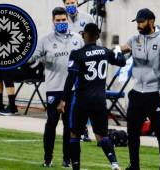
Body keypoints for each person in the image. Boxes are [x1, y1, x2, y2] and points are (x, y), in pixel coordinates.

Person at [57, 23, 126, 170]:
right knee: (101, 135)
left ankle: (76, 167)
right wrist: (118, 49)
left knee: (74, 133)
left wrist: (63, 99)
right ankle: (114, 164)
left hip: (82, 100)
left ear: (83, 35)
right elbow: (122, 61)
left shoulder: (77, 54)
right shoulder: (105, 51)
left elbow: (71, 77)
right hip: (100, 101)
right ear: (98, 35)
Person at [29, 7, 84, 167]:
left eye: (63, 20)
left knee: (69, 125)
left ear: (68, 19)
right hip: (54, 88)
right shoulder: (45, 40)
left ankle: (67, 159)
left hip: (73, 89)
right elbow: (32, 57)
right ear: (52, 21)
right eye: (58, 20)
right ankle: (48, 158)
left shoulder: (77, 39)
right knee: (52, 122)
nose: (61, 23)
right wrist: (25, 58)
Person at [120, 8, 160, 170]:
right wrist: (121, 51)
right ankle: (134, 165)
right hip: (137, 93)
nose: (138, 25)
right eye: (137, 22)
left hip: (154, 93)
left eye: (141, 22)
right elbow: (120, 59)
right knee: (132, 132)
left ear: (151, 21)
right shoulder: (134, 39)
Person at [63, 0, 96, 142]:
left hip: (85, 63)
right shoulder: (62, 20)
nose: (71, 4)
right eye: (68, 2)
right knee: (72, 98)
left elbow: (95, 39)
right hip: (70, 64)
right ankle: (75, 128)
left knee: (83, 97)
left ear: (77, 2)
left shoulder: (87, 18)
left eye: (73, 1)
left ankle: (84, 129)